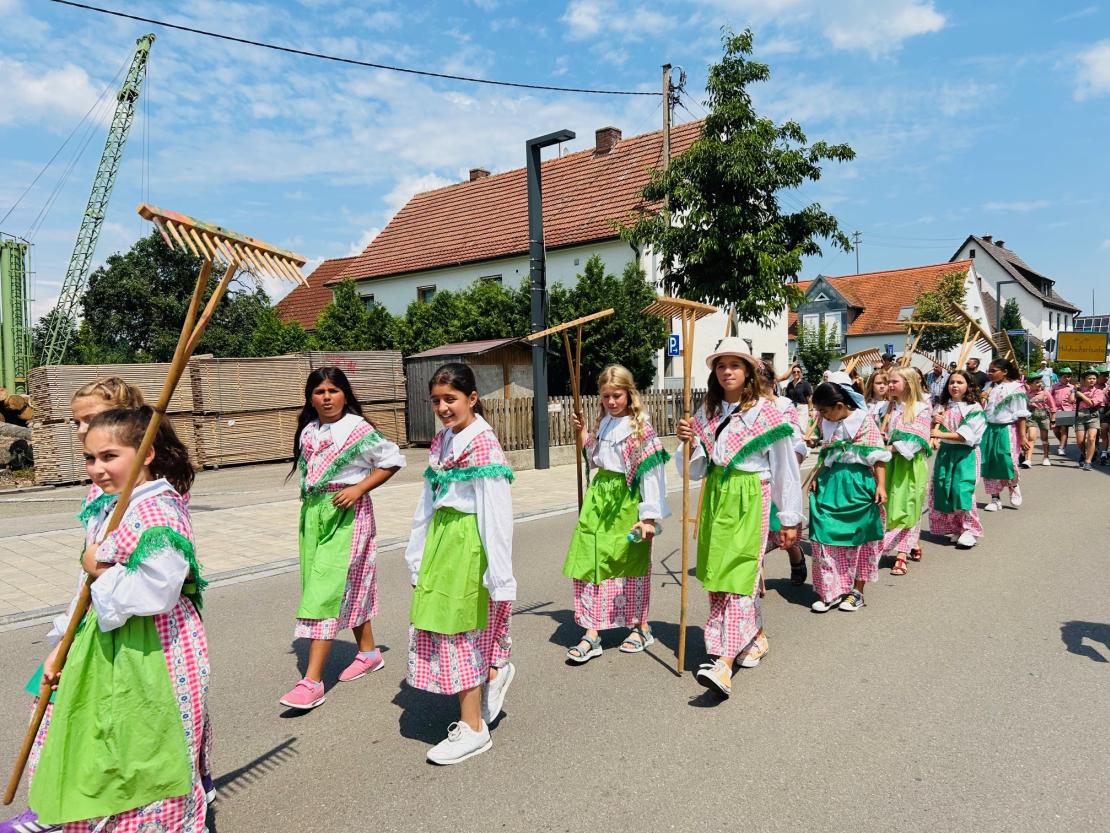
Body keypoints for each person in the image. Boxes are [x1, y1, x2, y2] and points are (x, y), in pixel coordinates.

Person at [28, 407, 209, 832]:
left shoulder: (159, 511)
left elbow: (158, 591)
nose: (97, 469)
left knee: (142, 752)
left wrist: (101, 570)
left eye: (109, 456)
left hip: (152, 649)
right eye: (90, 459)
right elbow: (86, 587)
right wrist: (62, 644)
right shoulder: (112, 505)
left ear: (146, 453)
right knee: (96, 745)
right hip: (103, 638)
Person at [1, 380, 168, 833]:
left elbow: (156, 577)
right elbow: (91, 565)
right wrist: (65, 632)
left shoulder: (152, 501)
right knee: (59, 702)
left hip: (130, 627)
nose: (81, 432)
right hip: (93, 615)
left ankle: (74, 808)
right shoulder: (104, 491)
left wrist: (98, 567)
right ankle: (56, 803)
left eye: (90, 421)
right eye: (77, 425)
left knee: (116, 726)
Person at [675, 338, 802, 698]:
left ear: (748, 371)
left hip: (751, 495)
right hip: (717, 494)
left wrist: (790, 518)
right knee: (716, 574)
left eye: (734, 364)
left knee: (741, 573)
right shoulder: (707, 412)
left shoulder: (767, 411)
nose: (727, 371)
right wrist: (688, 441)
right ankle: (754, 635)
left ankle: (724, 664)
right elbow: (695, 469)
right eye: (720, 365)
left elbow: (784, 468)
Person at [406, 363, 515, 764]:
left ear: (471, 398)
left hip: (469, 543)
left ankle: (472, 728)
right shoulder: (442, 442)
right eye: (436, 400)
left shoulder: (483, 445)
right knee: (443, 625)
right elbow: (427, 502)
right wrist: (416, 552)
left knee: (460, 633)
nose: (443, 407)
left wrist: (499, 573)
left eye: (450, 399)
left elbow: (496, 511)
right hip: (442, 541)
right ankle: (492, 673)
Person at [281, 367, 405, 710]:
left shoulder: (357, 428)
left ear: (345, 394)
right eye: (319, 391)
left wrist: (359, 487)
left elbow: (392, 459)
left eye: (333, 390)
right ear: (310, 396)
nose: (326, 397)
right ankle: (367, 653)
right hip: (314, 514)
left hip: (348, 515)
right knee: (336, 585)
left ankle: (312, 682)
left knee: (324, 592)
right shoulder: (308, 430)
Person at [563, 365, 670, 662]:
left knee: (627, 564)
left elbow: (651, 474)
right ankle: (592, 631)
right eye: (606, 396)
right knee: (591, 560)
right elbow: (595, 458)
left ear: (629, 394)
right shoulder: (605, 423)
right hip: (599, 498)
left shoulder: (641, 429)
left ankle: (640, 626)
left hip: (626, 500)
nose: (611, 402)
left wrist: (648, 516)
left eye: (617, 395)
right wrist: (584, 433)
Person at [807, 373, 890, 613]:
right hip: (831, 483)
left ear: (841, 406)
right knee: (825, 538)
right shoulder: (827, 423)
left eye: (825, 411)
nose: (822, 416)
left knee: (861, 539)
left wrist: (881, 486)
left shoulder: (864, 421)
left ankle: (857, 591)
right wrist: (816, 476)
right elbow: (827, 454)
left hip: (859, 483)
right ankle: (831, 591)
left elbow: (878, 457)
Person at [760, 361, 809, 590]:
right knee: (754, 539)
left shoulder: (783, 406)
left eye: (762, 382)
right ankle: (753, 581)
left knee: (784, 533)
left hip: (779, 477)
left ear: (772, 382)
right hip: (756, 480)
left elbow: (796, 443)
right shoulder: (743, 407)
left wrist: (791, 465)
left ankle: (796, 556)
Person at [882, 367, 932, 575]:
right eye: (889, 381)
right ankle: (912, 543)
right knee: (890, 506)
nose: (890, 385)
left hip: (909, 463)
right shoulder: (889, 407)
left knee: (907, 506)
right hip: (890, 462)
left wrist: (891, 447)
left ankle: (901, 555)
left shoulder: (922, 408)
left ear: (909, 384)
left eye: (894, 382)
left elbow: (915, 442)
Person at [929, 370, 987, 548]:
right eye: (952, 382)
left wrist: (939, 433)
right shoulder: (943, 406)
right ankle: (957, 527)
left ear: (968, 386)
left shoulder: (974, 408)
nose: (954, 385)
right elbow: (932, 429)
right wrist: (934, 421)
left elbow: (966, 435)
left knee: (961, 490)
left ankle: (971, 530)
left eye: (960, 382)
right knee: (944, 488)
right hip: (946, 452)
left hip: (965, 454)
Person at [981, 358, 1031, 511]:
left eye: (993, 371)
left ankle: (1013, 485)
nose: (989, 374)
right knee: (988, 463)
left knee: (1007, 460)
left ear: (1005, 372)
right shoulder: (989, 386)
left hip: (1007, 429)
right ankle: (995, 498)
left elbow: (1021, 414)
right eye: (988, 370)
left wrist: (1023, 437)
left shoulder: (1016, 388)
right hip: (989, 429)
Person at [1074, 369, 1105, 471]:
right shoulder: (1080, 389)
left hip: (1093, 416)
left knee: (1091, 438)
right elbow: (1070, 400)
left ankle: (1088, 462)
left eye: (1094, 378)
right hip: (1080, 416)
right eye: (1089, 378)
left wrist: (1082, 395)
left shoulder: (1099, 391)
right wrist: (1074, 391)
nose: (1092, 380)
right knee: (1080, 441)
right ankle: (1084, 454)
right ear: (1084, 380)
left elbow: (1092, 403)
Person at [1026, 377, 1056, 466]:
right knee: (1031, 437)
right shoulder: (1027, 393)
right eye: (1037, 382)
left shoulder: (1045, 393)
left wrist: (1053, 420)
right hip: (1032, 416)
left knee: (1044, 438)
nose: (1039, 384)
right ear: (1030, 384)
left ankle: (1046, 457)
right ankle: (1028, 460)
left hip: (1043, 416)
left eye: (1040, 382)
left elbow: (1053, 406)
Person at [1050, 368, 1076, 455]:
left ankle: (1061, 447)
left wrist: (1074, 410)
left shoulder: (1072, 387)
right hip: (1056, 410)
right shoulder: (1054, 387)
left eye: (1069, 377)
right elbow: (1049, 397)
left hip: (1068, 410)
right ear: (1060, 377)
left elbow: (1074, 400)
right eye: (1065, 377)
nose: (1067, 378)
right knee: (1055, 430)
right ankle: (1063, 441)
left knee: (1064, 428)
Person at [1098, 368, 1110, 466]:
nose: (1106, 378)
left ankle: (1104, 455)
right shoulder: (1091, 387)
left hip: (1105, 412)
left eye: (1108, 376)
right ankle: (1091, 451)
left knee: (1104, 430)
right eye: (1104, 376)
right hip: (1092, 413)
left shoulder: (1108, 388)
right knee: (1093, 435)